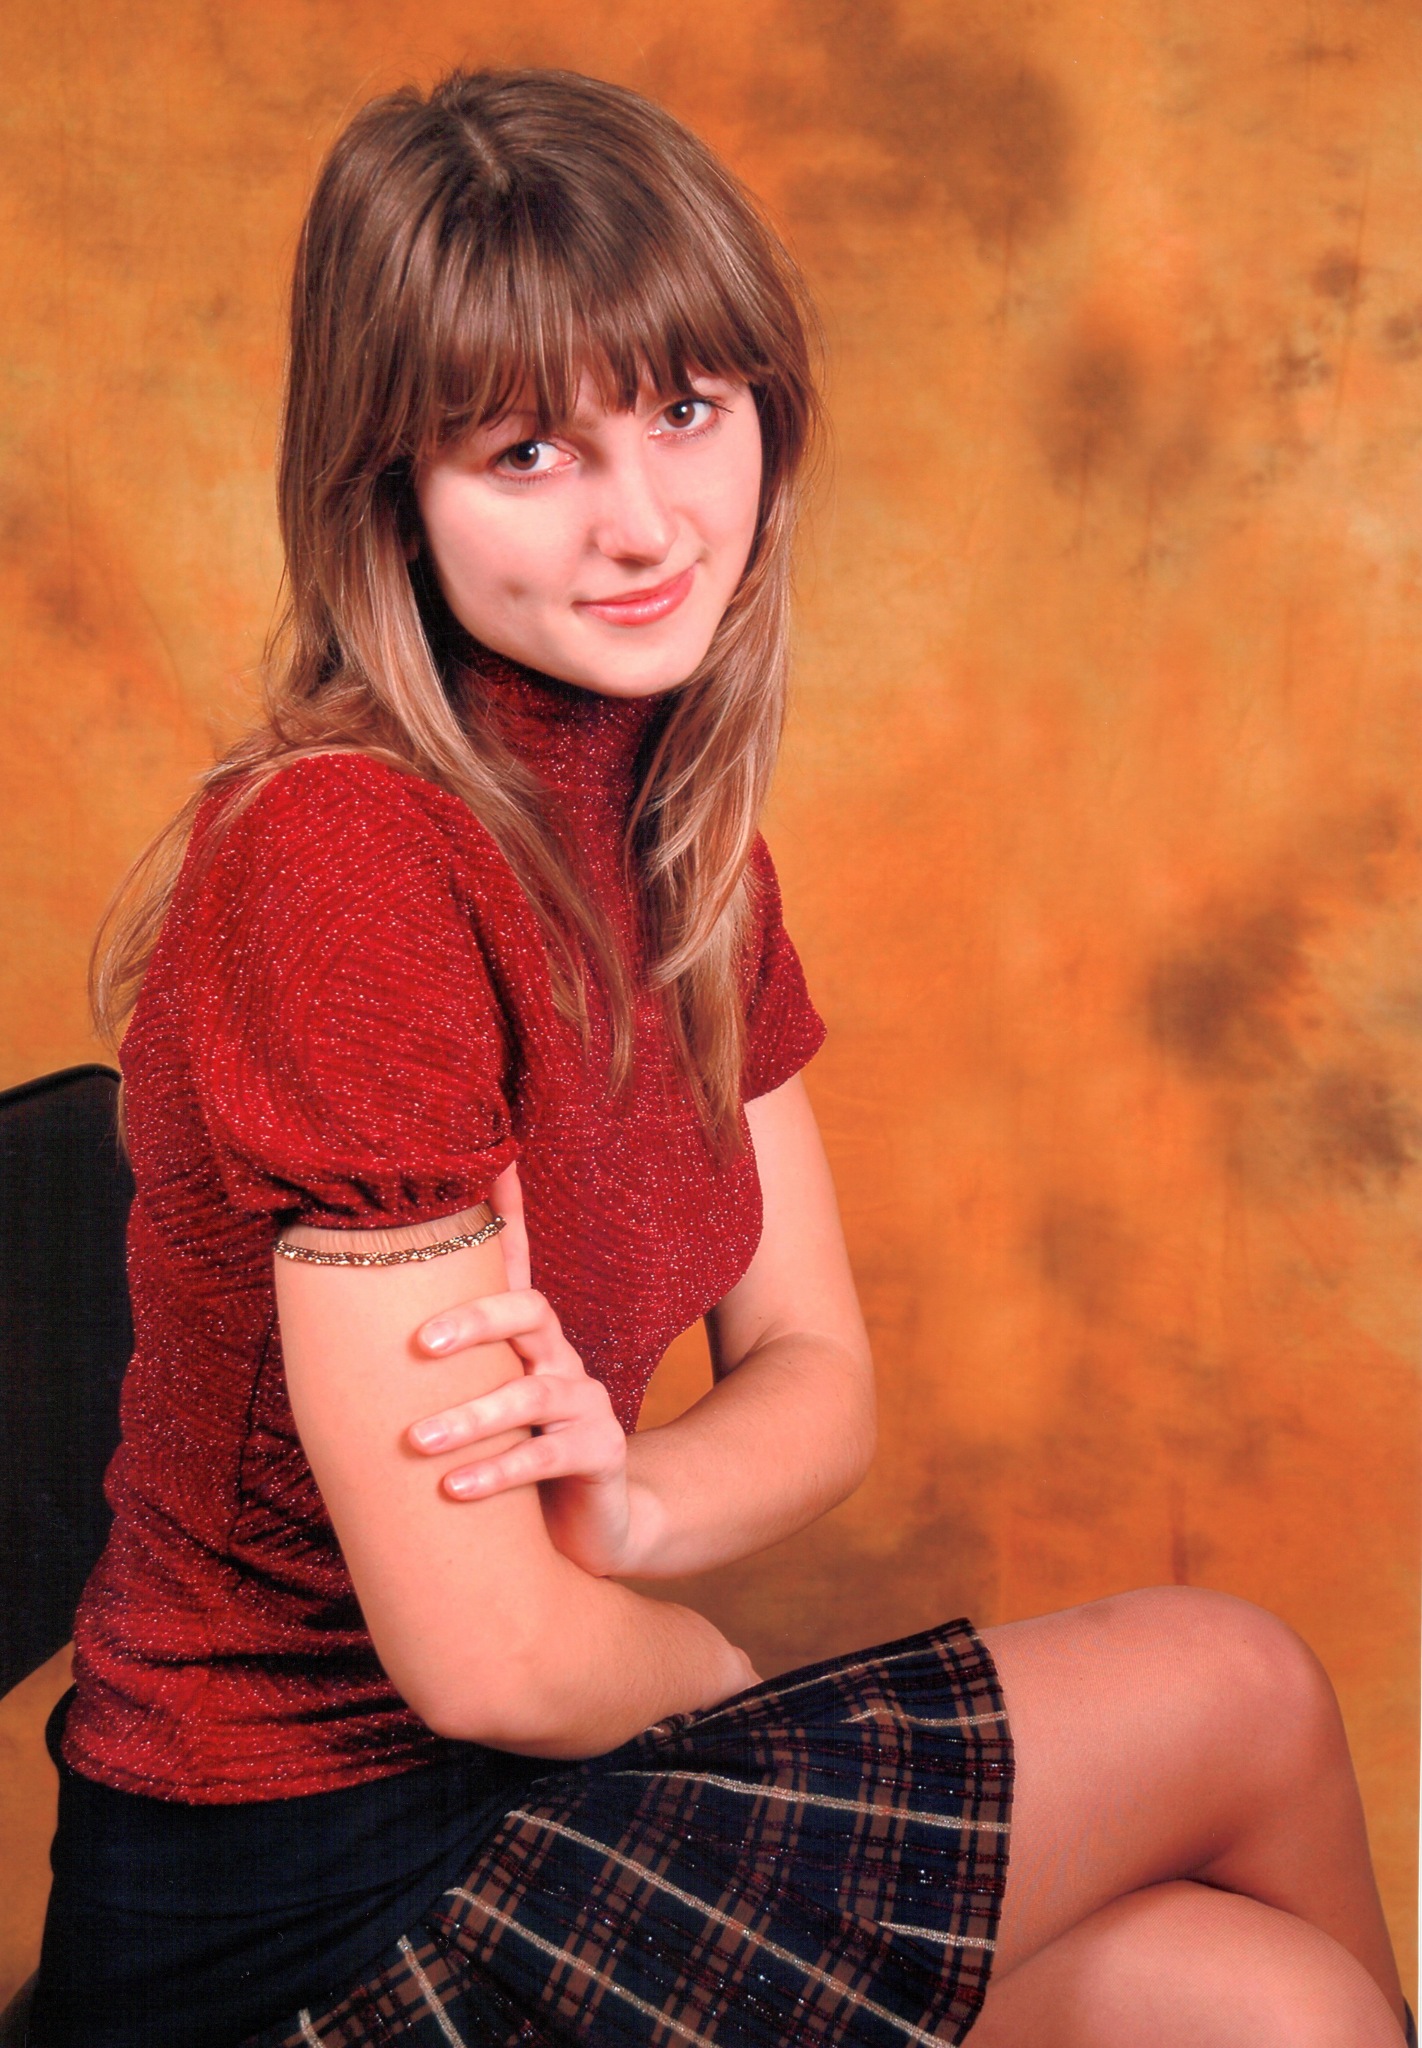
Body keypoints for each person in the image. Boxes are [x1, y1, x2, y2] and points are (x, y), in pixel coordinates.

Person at [29, 67, 1410, 2048]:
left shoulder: (674, 839)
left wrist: (627, 1504)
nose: (644, 522)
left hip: (529, 1790)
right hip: (296, 1909)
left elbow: (817, 1377)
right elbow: (492, 1658)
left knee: (1251, 2001)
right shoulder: (343, 859)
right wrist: (715, 1682)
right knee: (1239, 1685)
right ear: (386, 494)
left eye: (684, 407)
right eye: (526, 450)